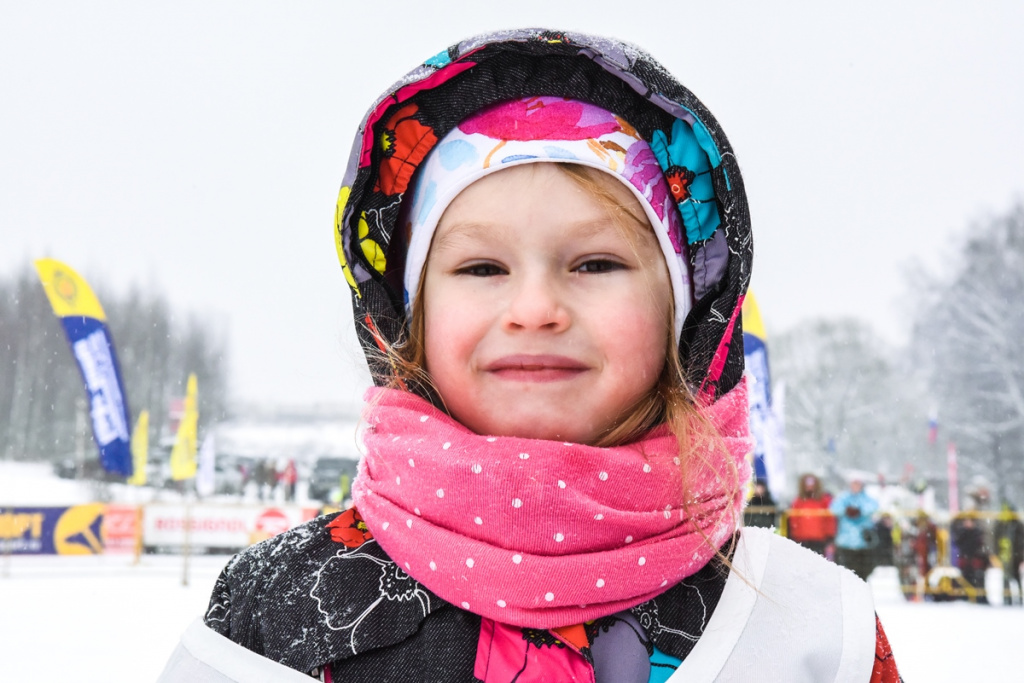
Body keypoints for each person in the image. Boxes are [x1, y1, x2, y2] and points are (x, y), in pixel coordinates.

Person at [159, 29, 900, 682]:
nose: (536, 308)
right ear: (407, 322)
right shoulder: (281, 611)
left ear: (684, 317)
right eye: (482, 269)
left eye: (595, 264)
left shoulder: (809, 630)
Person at [830, 478, 880, 581]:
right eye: (854, 483)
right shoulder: (844, 497)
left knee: (863, 574)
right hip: (846, 542)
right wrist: (846, 510)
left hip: (863, 542)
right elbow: (834, 508)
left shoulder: (866, 498)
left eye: (858, 483)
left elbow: (874, 506)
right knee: (846, 574)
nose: (855, 486)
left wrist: (860, 511)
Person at [786, 472, 837, 557]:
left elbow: (829, 520)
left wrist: (830, 535)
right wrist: (793, 535)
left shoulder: (824, 500)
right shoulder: (798, 501)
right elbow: (793, 520)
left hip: (819, 539)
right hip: (801, 539)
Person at [994, 503, 1024, 605]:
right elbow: (994, 540)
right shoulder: (1000, 525)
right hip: (1005, 556)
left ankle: (1018, 599)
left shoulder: (1017, 525)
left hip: (1015, 556)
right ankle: (1007, 599)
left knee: (1016, 578)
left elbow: (1021, 542)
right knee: (1006, 578)